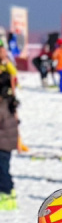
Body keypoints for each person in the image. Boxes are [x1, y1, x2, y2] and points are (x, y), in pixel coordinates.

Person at [0, 71, 19, 210]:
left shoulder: (2, 106)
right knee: (4, 168)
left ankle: (6, 194)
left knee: (2, 170)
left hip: (3, 142)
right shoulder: (10, 102)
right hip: (9, 142)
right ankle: (10, 190)